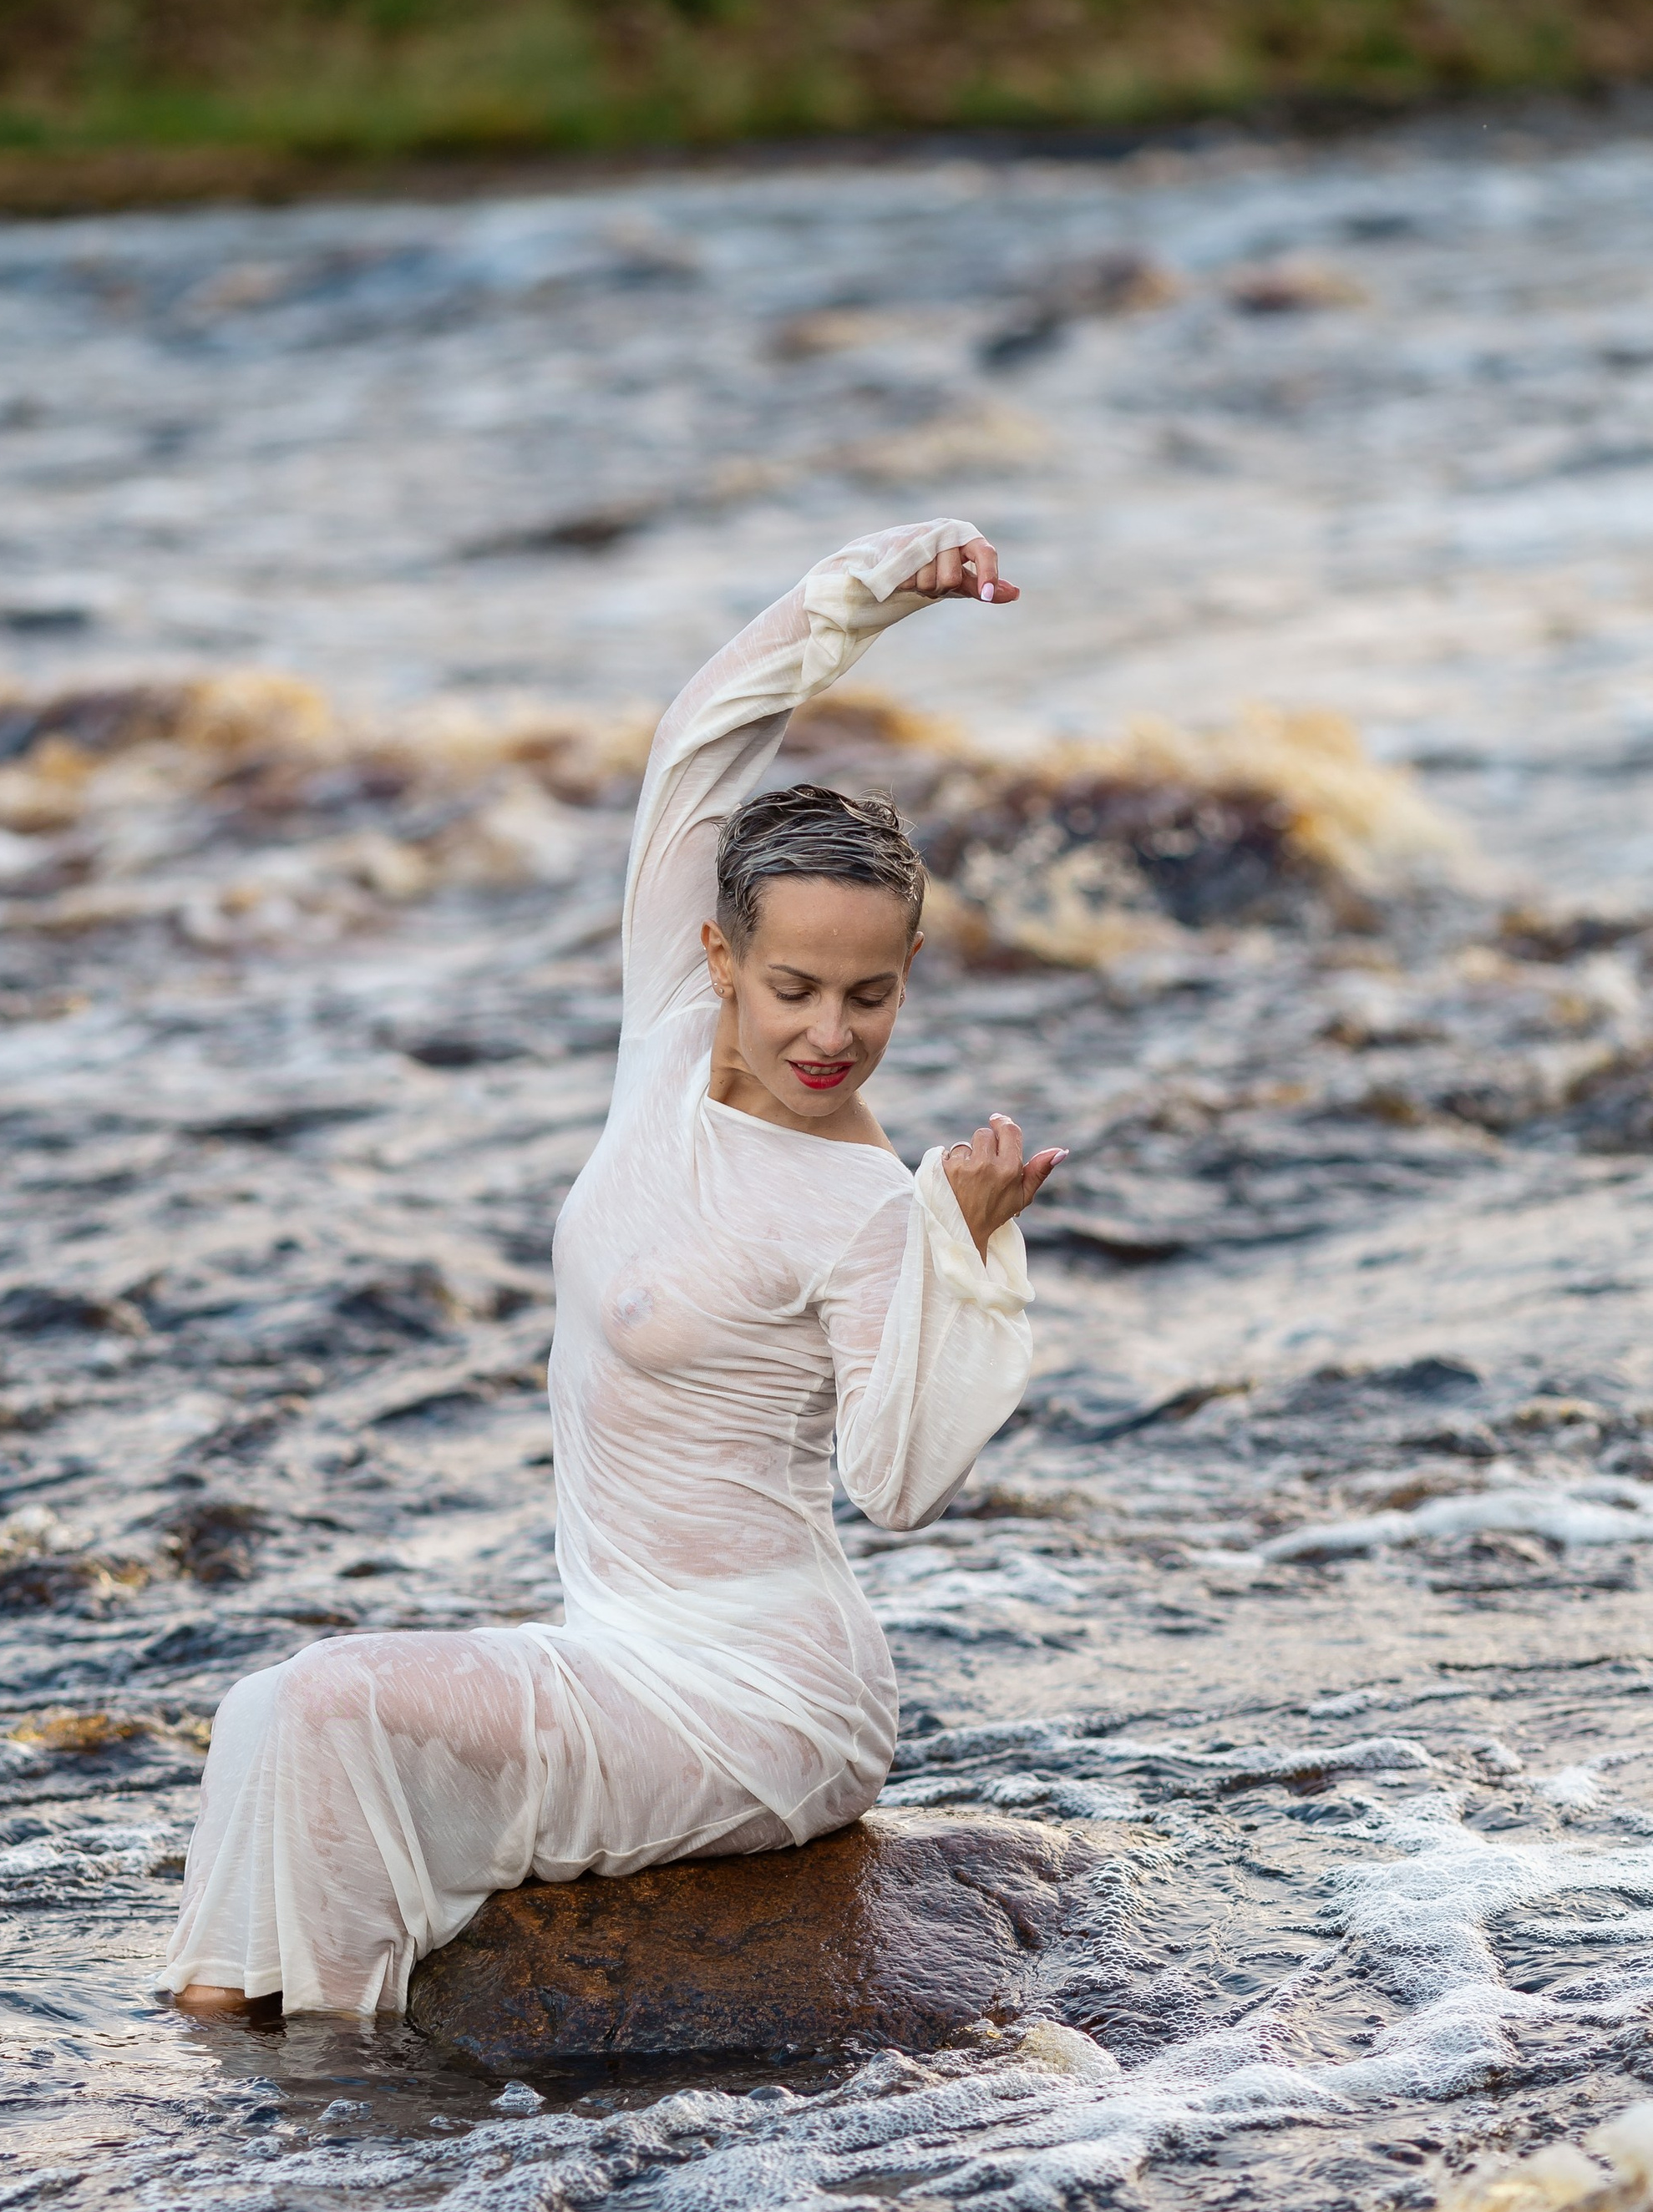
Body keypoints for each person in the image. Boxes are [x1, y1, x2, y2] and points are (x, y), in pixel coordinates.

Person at [158, 515, 1064, 2018]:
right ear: (718, 959)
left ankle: (312, 2084)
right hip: (615, 1643)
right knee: (268, 1709)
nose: (829, 1033)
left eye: (870, 994)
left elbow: (899, 1484)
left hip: (765, 1700)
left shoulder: (867, 1202)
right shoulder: (665, 1033)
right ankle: (246, 2058)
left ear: (910, 976)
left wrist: (960, 1252)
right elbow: (700, 742)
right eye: (793, 986)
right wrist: (879, 583)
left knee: (325, 1705)